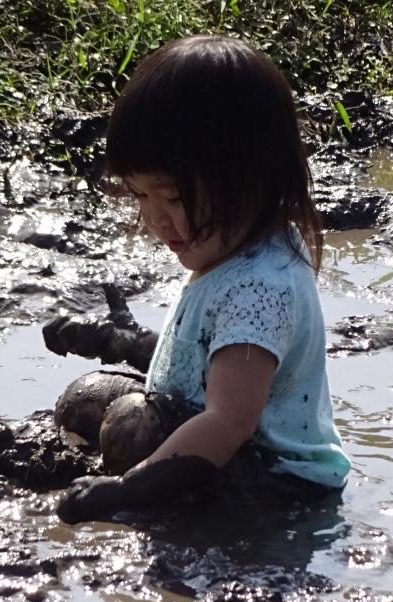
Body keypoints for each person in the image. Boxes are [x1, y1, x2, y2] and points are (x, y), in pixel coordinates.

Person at [52, 35, 350, 523]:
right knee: (86, 397)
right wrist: (120, 341)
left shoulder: (261, 288)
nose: (154, 220)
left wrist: (123, 491)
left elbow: (228, 419)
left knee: (131, 421)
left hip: (274, 483)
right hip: (232, 445)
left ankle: (177, 504)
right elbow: (199, 364)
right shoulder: (236, 254)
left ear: (250, 179)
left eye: (170, 197)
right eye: (140, 196)